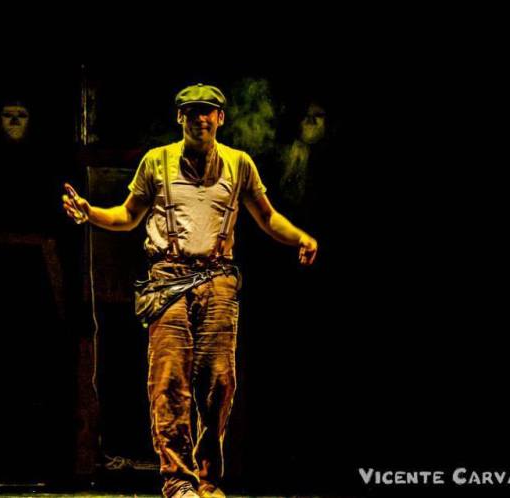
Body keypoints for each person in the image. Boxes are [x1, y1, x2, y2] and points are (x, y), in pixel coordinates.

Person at [63, 83, 318, 498]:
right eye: (193, 111)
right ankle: (178, 480)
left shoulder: (239, 164)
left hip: (218, 280)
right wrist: (89, 212)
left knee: (220, 382)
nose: (202, 119)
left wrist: (301, 237)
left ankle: (208, 477)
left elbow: (268, 217)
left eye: (209, 111)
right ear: (180, 117)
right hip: (169, 280)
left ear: (221, 117)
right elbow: (128, 216)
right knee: (169, 382)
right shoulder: (157, 161)